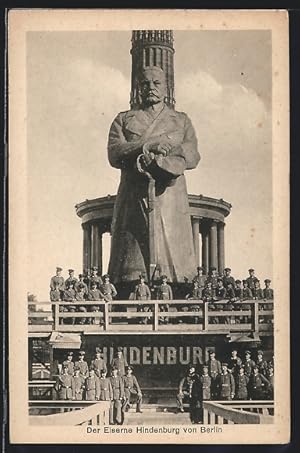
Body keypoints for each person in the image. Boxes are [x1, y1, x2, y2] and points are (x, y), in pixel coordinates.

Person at [107, 66, 200, 286]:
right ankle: (130, 283)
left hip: (170, 192)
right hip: (134, 193)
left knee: (175, 262)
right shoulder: (124, 119)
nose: (151, 88)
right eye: (145, 83)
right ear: (139, 88)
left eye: (157, 83)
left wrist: (166, 159)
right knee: (132, 259)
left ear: (167, 88)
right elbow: (114, 153)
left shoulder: (181, 120)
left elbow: (193, 155)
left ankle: (179, 284)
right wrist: (147, 145)